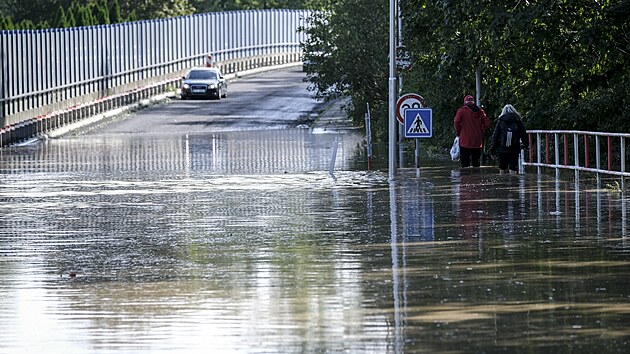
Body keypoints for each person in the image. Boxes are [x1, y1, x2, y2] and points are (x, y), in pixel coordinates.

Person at [489, 104, 529, 174]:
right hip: (514, 148)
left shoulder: (501, 121)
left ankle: (503, 183)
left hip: (502, 149)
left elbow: (495, 136)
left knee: (502, 167)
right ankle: (513, 183)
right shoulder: (518, 121)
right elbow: (523, 134)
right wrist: (526, 145)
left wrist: (492, 150)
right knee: (513, 168)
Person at [453, 95, 490, 168]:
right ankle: (476, 178)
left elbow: (456, 122)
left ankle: (466, 179)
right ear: (473, 102)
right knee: (476, 164)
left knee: (465, 165)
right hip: (477, 142)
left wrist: (458, 132)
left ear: (465, 102)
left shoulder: (462, 111)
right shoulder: (481, 112)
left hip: (465, 141)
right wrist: (481, 130)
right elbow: (487, 124)